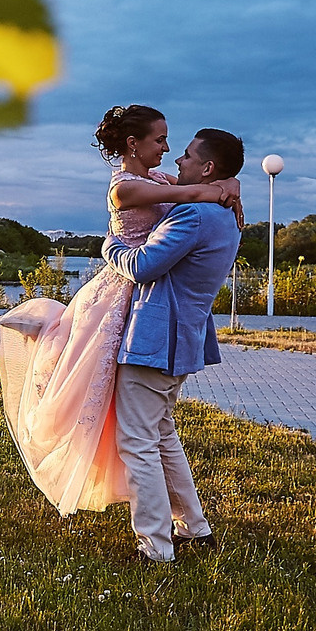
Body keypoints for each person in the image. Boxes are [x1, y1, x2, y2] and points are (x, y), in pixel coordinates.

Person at [0, 106, 242, 532]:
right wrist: (222, 186)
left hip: (145, 309)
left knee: (145, 433)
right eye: (162, 141)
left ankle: (163, 539)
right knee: (143, 423)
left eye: (176, 146)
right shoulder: (127, 189)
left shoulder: (161, 183)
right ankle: (187, 527)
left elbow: (193, 194)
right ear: (133, 144)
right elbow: (192, 193)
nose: (169, 151)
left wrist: (226, 182)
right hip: (123, 294)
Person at [96, 126, 246, 563]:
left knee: (138, 441)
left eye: (185, 155)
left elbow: (142, 265)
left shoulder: (193, 215)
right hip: (182, 339)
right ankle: (195, 529)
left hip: (155, 339)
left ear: (207, 167)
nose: (177, 160)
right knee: (161, 434)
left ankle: (156, 548)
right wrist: (229, 186)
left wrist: (109, 244)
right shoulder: (223, 212)